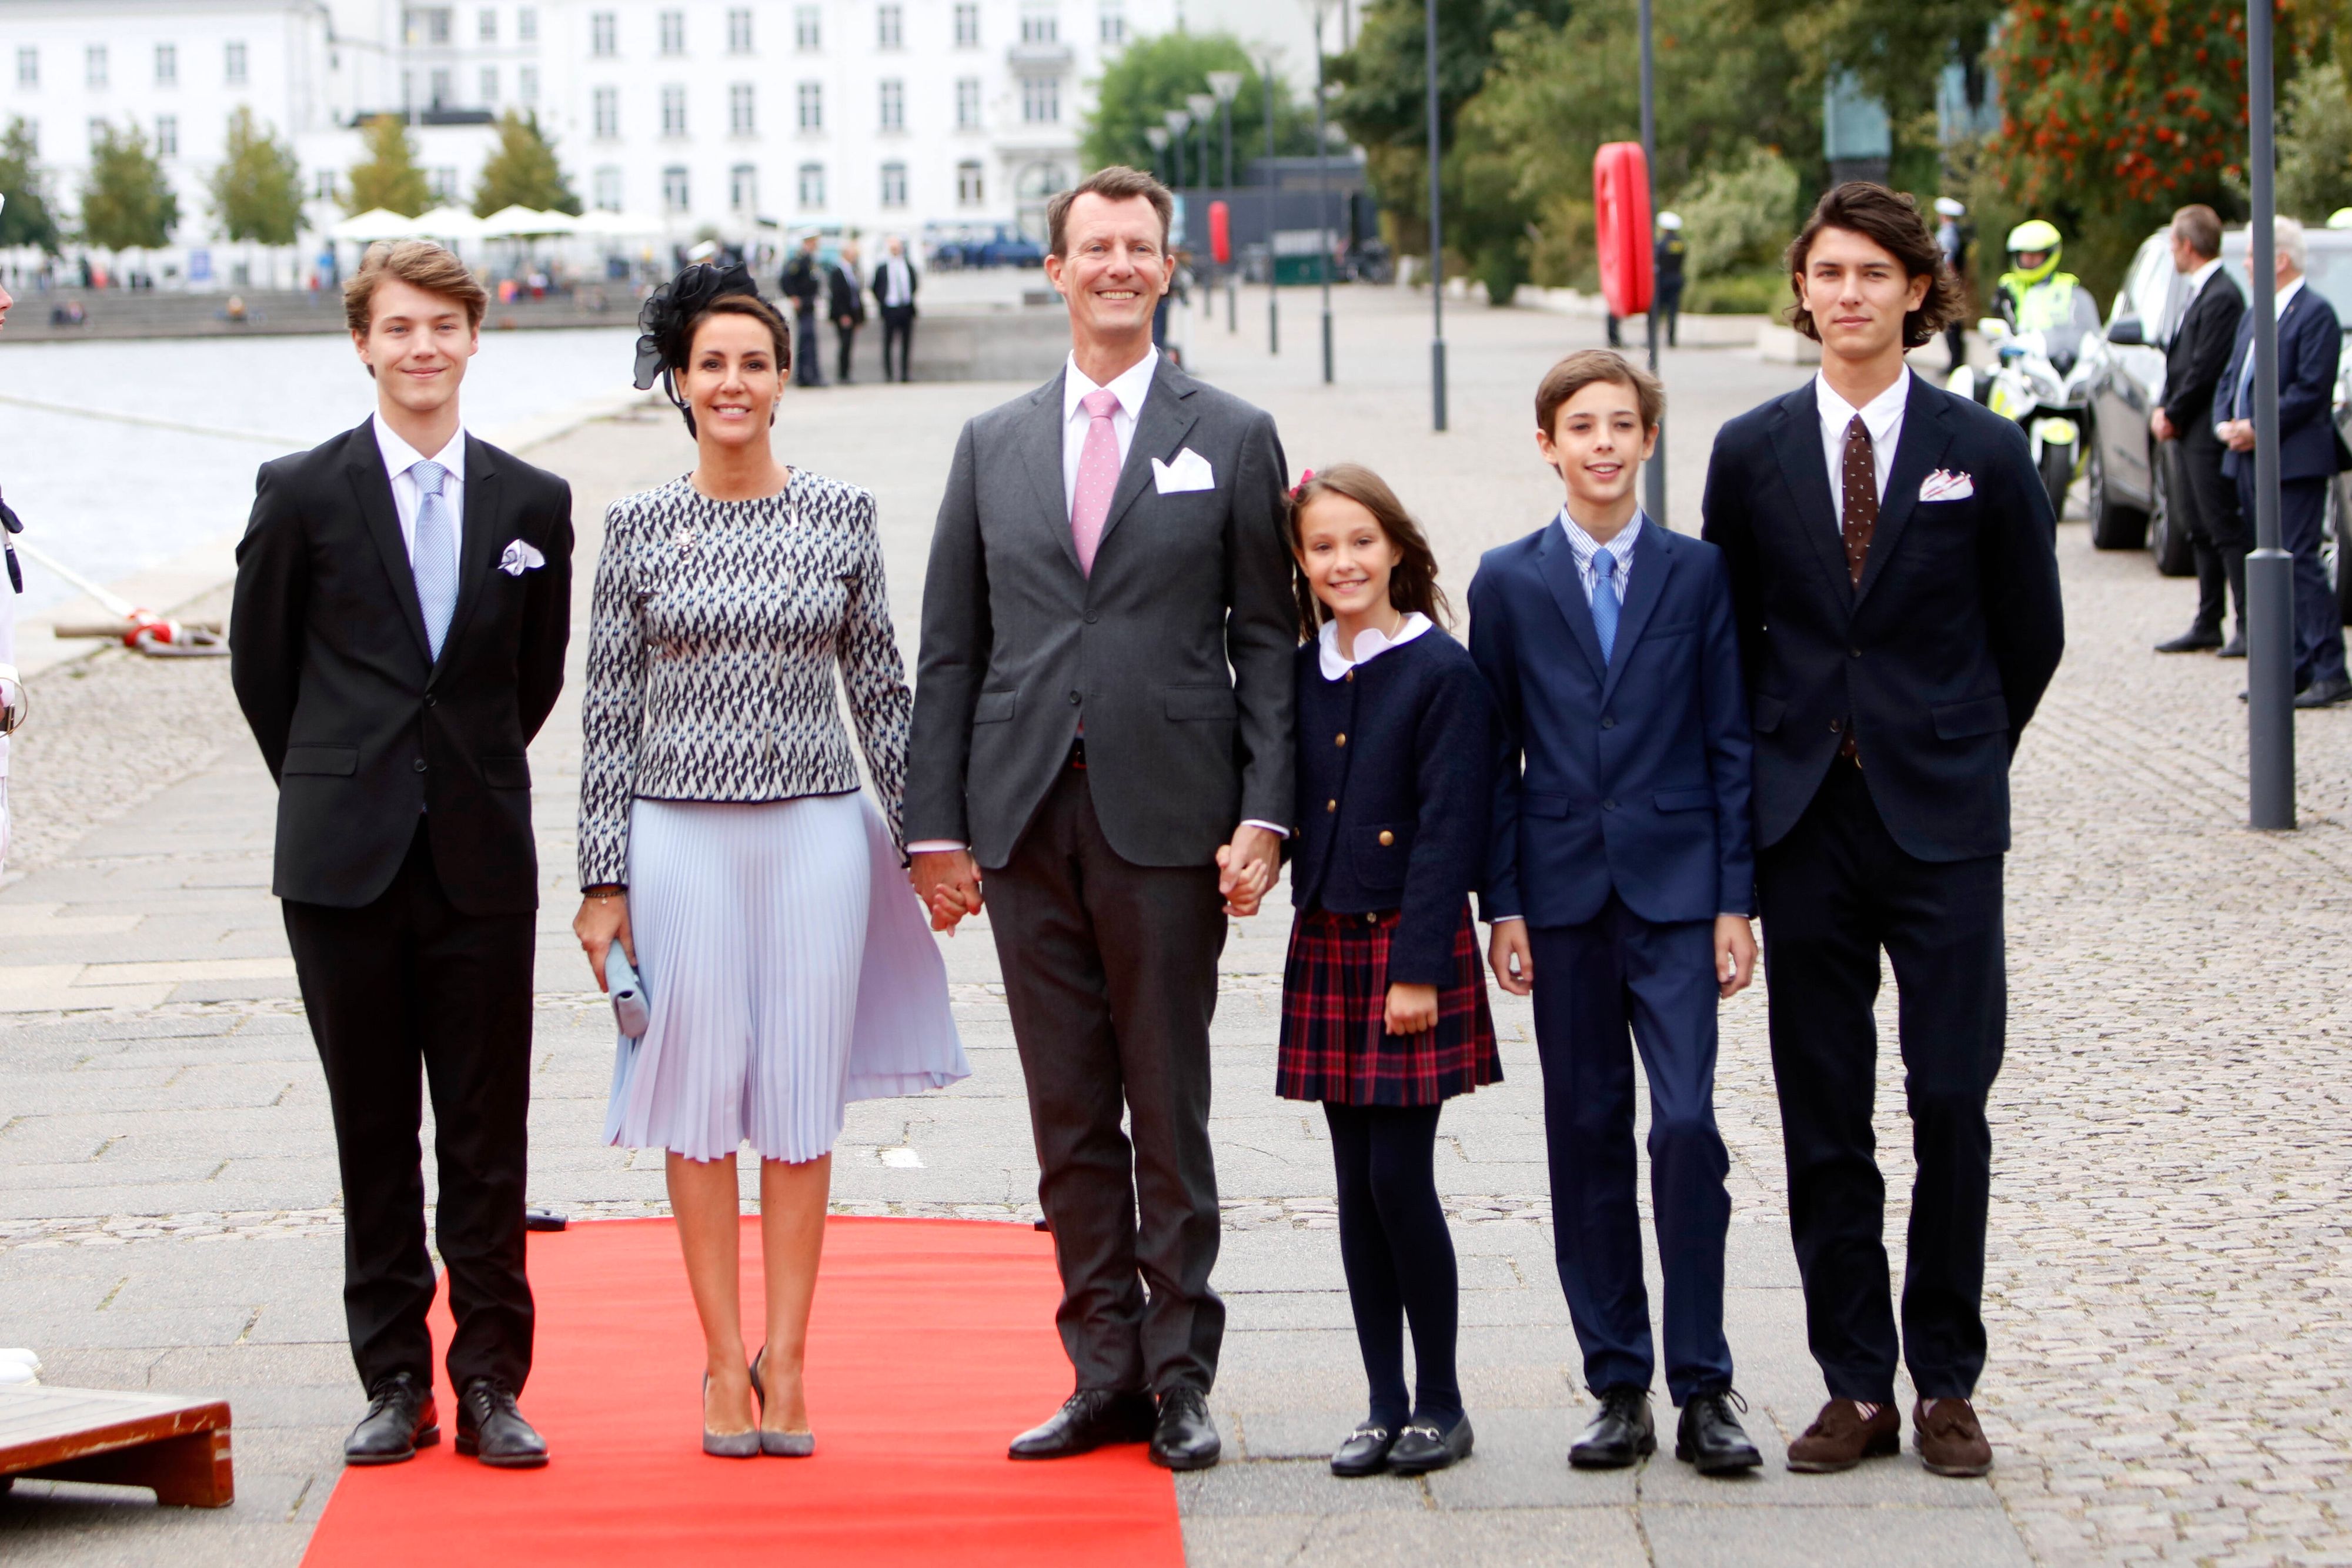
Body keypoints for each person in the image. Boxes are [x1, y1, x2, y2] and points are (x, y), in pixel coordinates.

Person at [905, 166, 1294, 1473]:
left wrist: (1266, 814)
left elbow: (1266, 641)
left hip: (1169, 819)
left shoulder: (1231, 435)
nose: (1118, 264)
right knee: (1066, 1114)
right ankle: (1101, 1371)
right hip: (1020, 820)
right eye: (1095, 247)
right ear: (1057, 269)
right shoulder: (991, 443)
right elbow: (950, 649)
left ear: (1167, 269)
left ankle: (1181, 1376)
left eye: (1140, 247)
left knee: (1166, 1104)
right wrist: (934, 828)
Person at [1700, 183, 2064, 1478]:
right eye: (1825, 272)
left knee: (1951, 1100)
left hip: (1942, 827)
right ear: (1800, 291)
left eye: (1872, 273)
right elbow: (1726, 638)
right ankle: (1854, 1379)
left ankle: (1947, 1379)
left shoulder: (1984, 446)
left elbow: (2031, 633)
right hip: (1802, 823)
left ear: (1919, 288)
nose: (1846, 293)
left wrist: (1955, 746)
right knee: (1823, 1111)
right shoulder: (1747, 452)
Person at [574, 264, 967, 1458]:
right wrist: (601, 883)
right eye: (711, 364)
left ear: (783, 379)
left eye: (754, 361)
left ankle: (787, 1359)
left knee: (797, 1097)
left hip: (814, 834)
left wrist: (926, 842)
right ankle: (714, 1360)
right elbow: (605, 711)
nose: (732, 382)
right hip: (675, 834)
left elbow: (883, 691)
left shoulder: (842, 514)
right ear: (680, 384)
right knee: (696, 1102)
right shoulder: (636, 525)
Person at [230, 240, 576, 1469]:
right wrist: (344, 777)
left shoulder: (533, 504)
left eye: (444, 325)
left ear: (476, 338)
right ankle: (392, 1378)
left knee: (489, 1128)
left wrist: (453, 777)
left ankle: (489, 1376)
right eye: (399, 328)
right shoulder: (301, 491)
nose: (422, 347)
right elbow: (263, 673)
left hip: (480, 859)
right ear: (362, 343)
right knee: (370, 1126)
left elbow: (528, 680)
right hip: (342, 864)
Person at [1474, 350, 1762, 1478]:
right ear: (1546, 444)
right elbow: (1495, 754)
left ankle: (1705, 1382)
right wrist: (1502, 903)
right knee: (1586, 1132)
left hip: (1682, 889)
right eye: (1580, 425)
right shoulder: (1506, 579)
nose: (1602, 442)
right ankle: (1618, 1380)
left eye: (1622, 424)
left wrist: (1737, 896)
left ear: (1649, 442)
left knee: (1685, 1126)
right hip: (1560, 895)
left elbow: (1730, 737)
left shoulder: (1699, 576)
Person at [1277, 464, 1498, 1480]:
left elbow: (1454, 829)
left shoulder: (1442, 671)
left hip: (1411, 952)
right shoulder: (1300, 666)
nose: (1344, 562)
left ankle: (1442, 1401)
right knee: (1352, 1187)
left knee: (1398, 1178)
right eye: (1323, 547)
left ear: (1398, 548)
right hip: (1327, 937)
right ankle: (1380, 1400)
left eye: (1361, 541)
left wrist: (1419, 968)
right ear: (1303, 563)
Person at [2216, 216, 2352, 708]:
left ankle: (2331, 668)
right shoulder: (2256, 314)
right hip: (2248, 458)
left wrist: (2258, 427)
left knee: (2299, 561)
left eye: (2253, 255)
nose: (2247, 264)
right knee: (2269, 564)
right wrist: (2226, 424)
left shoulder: (2315, 313)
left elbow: (2310, 390)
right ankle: (2294, 668)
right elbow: (2232, 379)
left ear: (2280, 259)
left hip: (2294, 458)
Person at [2150, 205, 2249, 657]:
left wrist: (2173, 411)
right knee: (2199, 527)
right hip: (2189, 427)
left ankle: (2247, 622)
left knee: (2222, 524)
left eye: (2173, 243)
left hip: (2208, 429)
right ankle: (2208, 619)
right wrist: (2165, 406)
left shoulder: (2223, 295)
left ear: (2188, 246)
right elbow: (2181, 359)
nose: (2173, 251)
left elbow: (2206, 366)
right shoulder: (2200, 292)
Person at [1994, 219, 2100, 367]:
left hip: (2057, 357)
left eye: (2036, 255)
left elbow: (2081, 325)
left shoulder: (2068, 285)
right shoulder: (2007, 286)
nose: (2029, 260)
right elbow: (2000, 323)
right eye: (2026, 254)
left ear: (2049, 255)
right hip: (2019, 361)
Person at [779, 235, 824, 388]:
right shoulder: (799, 259)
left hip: (809, 303)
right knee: (806, 339)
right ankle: (805, 376)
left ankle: (811, 375)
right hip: (803, 304)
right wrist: (793, 296)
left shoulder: (810, 259)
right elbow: (786, 278)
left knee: (810, 339)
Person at [1934, 198, 1972, 373]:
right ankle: (1956, 362)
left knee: (1951, 324)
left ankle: (1954, 364)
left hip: (1950, 284)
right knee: (1955, 324)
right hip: (1957, 283)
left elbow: (1947, 261)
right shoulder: (1957, 232)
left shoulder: (1947, 233)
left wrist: (1949, 283)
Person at [873, 236, 919, 383]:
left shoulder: (908, 265)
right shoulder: (883, 267)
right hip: (890, 309)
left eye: (897, 247)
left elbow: (914, 284)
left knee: (907, 343)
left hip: (905, 308)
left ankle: (905, 373)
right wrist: (883, 302)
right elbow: (876, 287)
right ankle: (889, 375)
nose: (895, 250)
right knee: (888, 343)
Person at [828, 240, 866, 384]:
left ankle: (847, 373)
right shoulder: (837, 271)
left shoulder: (852, 270)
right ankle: (843, 375)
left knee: (849, 344)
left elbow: (856, 294)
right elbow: (837, 295)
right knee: (844, 344)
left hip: (853, 314)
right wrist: (843, 314)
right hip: (843, 315)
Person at [1653, 213, 1686, 349]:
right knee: (1673, 312)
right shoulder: (1680, 244)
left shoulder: (1661, 244)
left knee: (1656, 311)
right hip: (1676, 280)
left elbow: (1656, 262)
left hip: (1662, 282)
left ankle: (1653, 337)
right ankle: (1671, 339)